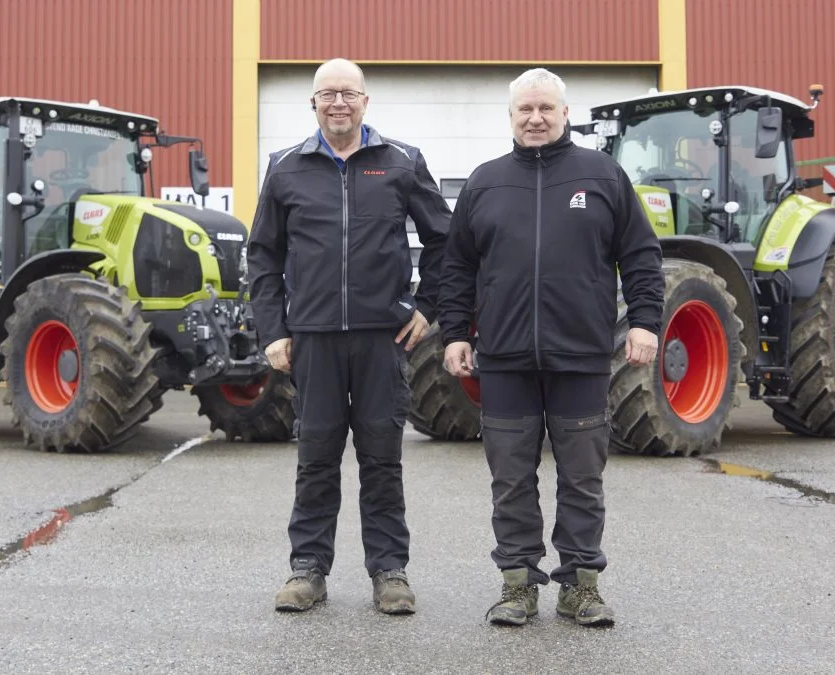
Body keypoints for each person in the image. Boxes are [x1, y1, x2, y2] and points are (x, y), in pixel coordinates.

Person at [437, 68, 665, 627]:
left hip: (581, 357)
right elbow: (457, 268)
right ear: (511, 117)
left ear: (565, 113)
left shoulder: (603, 175)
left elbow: (640, 255)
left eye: (545, 109)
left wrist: (644, 322)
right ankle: (517, 585)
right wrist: (455, 334)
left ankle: (581, 587)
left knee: (582, 478)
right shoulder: (485, 182)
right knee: (511, 477)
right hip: (506, 359)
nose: (535, 118)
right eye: (524, 110)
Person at [246, 58, 451, 615]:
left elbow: (445, 243)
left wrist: (427, 308)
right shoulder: (285, 167)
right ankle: (307, 569)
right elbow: (263, 254)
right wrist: (273, 331)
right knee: (316, 456)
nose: (338, 102)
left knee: (382, 456)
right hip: (311, 339)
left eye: (348, 94)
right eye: (327, 94)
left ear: (366, 102)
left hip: (384, 339)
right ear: (312, 103)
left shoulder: (402, 162)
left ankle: (390, 571)